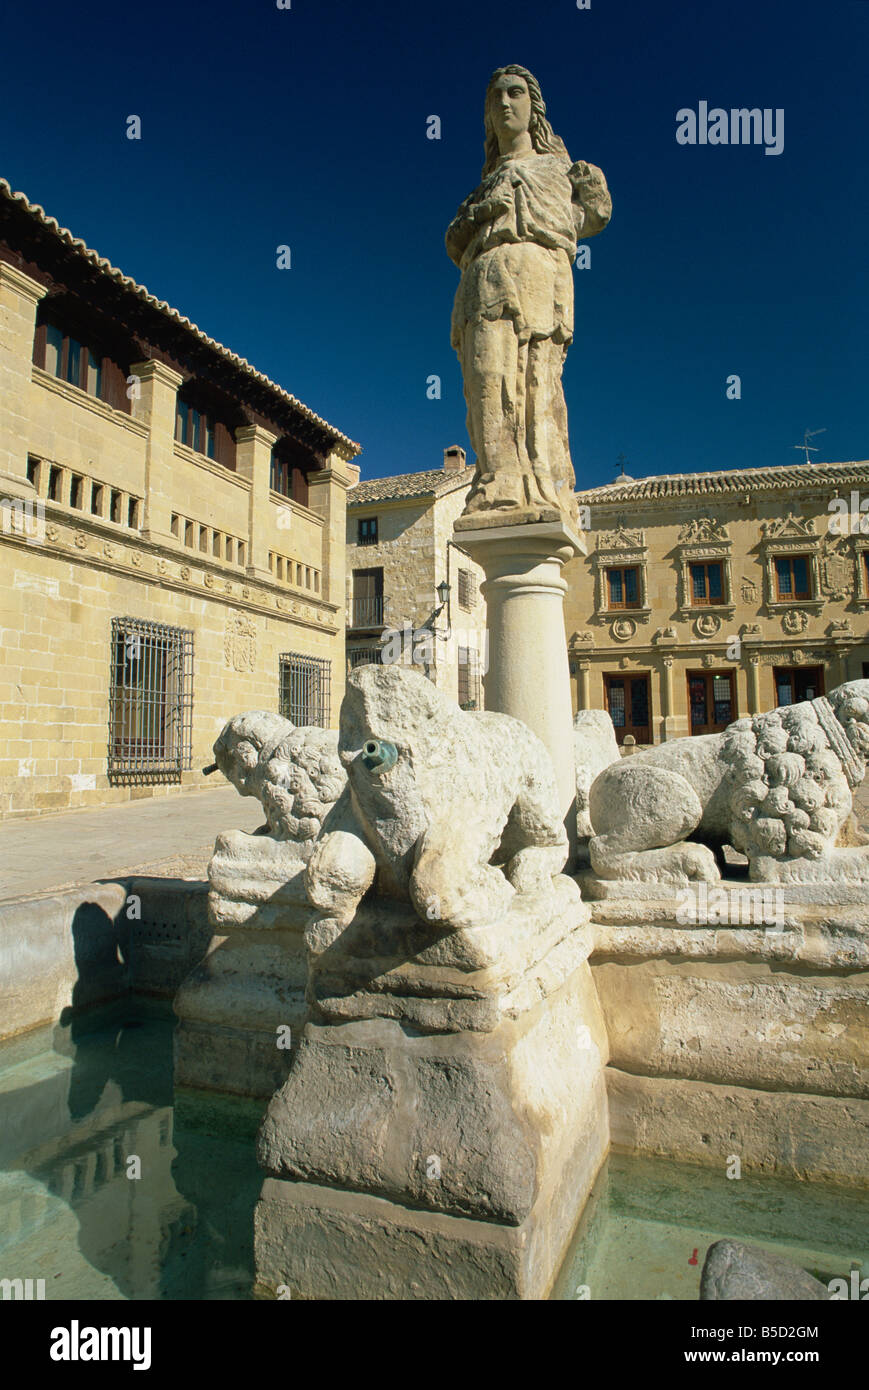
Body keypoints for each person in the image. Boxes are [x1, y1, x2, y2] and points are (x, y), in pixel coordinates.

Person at [446, 64, 611, 523]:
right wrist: (484, 210)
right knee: (487, 381)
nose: (504, 103)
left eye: (514, 93)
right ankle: (497, 481)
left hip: (539, 277)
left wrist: (592, 184)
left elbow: (591, 219)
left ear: (533, 105)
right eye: (495, 96)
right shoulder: (484, 185)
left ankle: (542, 483)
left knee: (538, 384)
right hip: (482, 282)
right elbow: (452, 240)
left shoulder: (558, 171)